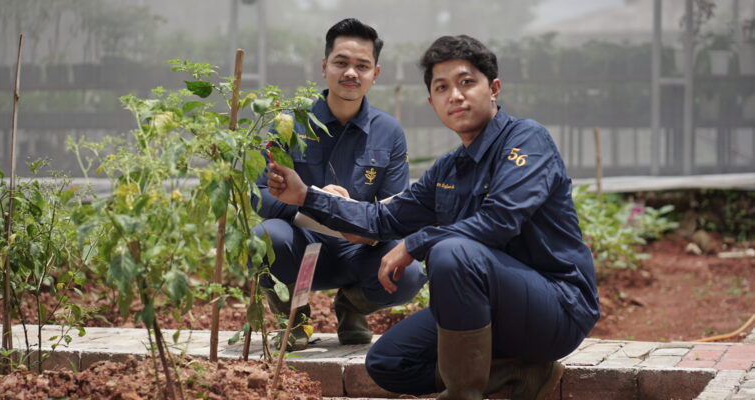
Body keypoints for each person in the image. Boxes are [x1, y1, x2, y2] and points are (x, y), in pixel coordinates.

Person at [265, 35, 600, 400]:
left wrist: (416, 242)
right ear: (432, 101)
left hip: (556, 307)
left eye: (466, 82)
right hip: (491, 315)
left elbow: (499, 219)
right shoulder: (448, 169)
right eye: (442, 88)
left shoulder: (525, 140)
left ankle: (463, 394)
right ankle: (520, 373)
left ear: (494, 89)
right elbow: (382, 218)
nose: (454, 95)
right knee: (389, 362)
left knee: (451, 251)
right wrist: (305, 196)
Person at [254, 18, 426, 351]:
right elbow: (259, 194)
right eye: (341, 63)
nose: (351, 73)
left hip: (358, 249)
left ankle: (352, 307)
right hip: (299, 241)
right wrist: (314, 201)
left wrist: (351, 215)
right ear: (324, 66)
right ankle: (295, 318)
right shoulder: (290, 122)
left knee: (409, 272)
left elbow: (395, 210)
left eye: (362, 66)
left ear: (375, 73)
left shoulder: (388, 131)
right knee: (264, 239)